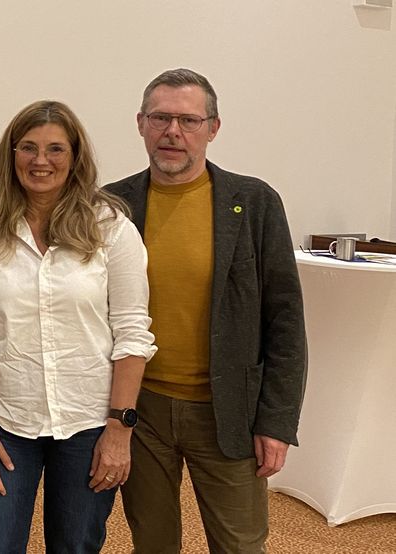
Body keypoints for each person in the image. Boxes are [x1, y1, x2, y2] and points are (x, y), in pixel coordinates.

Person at [105, 68, 307, 553]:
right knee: (153, 543)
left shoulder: (254, 203)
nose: (172, 131)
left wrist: (276, 423)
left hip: (228, 409)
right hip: (141, 410)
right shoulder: (111, 205)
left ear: (213, 128)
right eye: (160, 118)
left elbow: (284, 320)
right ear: (140, 123)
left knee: (240, 544)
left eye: (189, 120)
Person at [0, 100, 156, 553]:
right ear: (12, 155)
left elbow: (132, 333)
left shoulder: (111, 229)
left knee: (76, 545)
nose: (40, 160)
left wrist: (119, 430)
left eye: (55, 149)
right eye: (28, 147)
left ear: (75, 156)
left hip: (89, 421)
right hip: (5, 420)